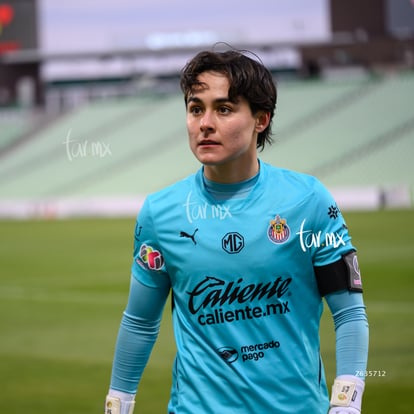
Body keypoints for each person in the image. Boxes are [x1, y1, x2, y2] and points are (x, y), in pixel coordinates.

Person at [104, 49, 369, 414]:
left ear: (261, 119)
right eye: (196, 109)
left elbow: (349, 314)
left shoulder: (308, 201)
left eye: (223, 109)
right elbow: (140, 322)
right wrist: (117, 405)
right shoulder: (159, 214)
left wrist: (347, 402)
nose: (205, 123)